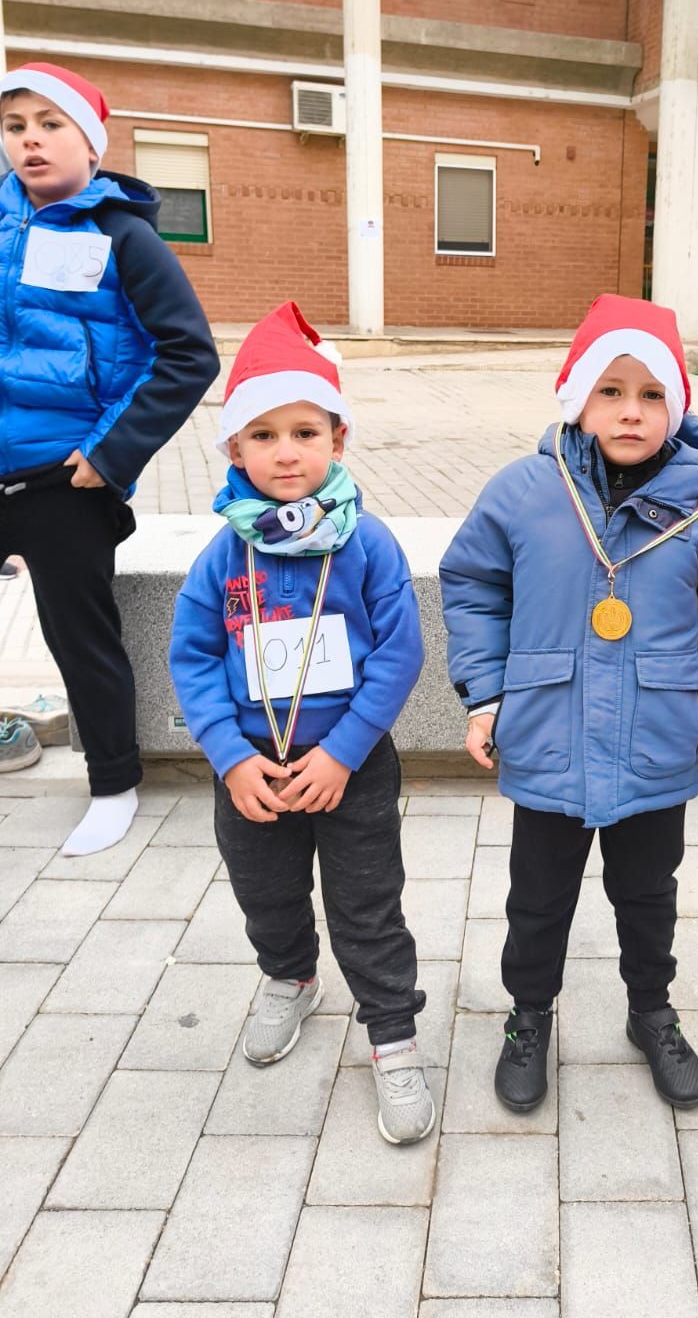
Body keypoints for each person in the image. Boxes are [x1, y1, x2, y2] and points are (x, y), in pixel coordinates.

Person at [440, 294, 698, 1114]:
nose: (631, 411)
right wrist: (486, 694)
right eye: (611, 391)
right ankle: (528, 1017)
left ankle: (650, 1011)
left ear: (677, 405)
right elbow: (474, 586)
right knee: (537, 894)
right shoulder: (523, 490)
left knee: (649, 891)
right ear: (578, 400)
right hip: (546, 728)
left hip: (657, 734)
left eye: (652, 394)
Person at [170, 303, 431, 1145]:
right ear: (234, 450)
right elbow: (193, 658)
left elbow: (399, 652)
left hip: (347, 767)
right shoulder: (223, 556)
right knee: (266, 893)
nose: (286, 451)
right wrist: (227, 757)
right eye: (264, 435)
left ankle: (391, 1033)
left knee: (367, 904)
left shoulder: (368, 545)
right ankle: (289, 976)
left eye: (305, 432)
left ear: (338, 442)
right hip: (251, 766)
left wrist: (347, 750)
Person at [0, 62, 219, 847]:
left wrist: (111, 451)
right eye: (16, 126)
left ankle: (113, 782)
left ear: (91, 145)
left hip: (67, 474)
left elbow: (189, 354)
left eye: (50, 125)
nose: (31, 141)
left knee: (78, 634)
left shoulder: (122, 235)